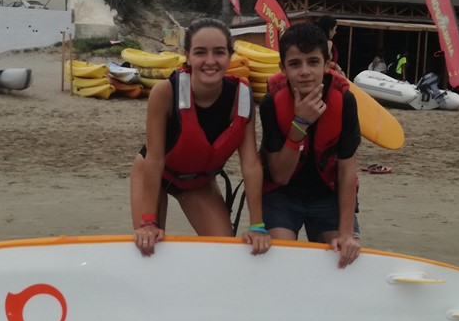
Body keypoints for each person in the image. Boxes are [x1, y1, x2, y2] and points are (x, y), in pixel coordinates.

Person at [130, 17, 270, 257]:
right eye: (200, 52)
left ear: (230, 55)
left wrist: (257, 225)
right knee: (148, 248)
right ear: (187, 56)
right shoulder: (164, 92)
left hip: (198, 183)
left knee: (223, 250)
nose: (210, 61)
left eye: (219, 52)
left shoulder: (242, 97)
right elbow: (154, 159)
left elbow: (250, 164)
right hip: (154, 174)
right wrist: (148, 222)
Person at [259, 22, 362, 268]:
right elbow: (280, 176)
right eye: (295, 64)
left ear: (327, 66)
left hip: (328, 195)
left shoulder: (345, 100)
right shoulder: (271, 103)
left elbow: (347, 170)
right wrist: (300, 124)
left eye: (313, 62)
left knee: (343, 257)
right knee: (280, 260)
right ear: (282, 68)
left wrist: (346, 234)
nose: (304, 71)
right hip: (283, 196)